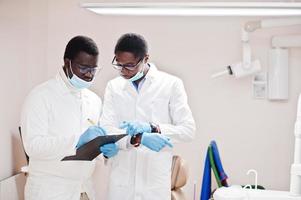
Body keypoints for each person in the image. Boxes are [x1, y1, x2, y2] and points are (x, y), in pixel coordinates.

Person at [20, 36, 118, 200]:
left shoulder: (94, 100)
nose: (89, 75)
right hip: (50, 191)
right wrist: (76, 141)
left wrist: (105, 152)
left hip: (84, 189)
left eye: (93, 69)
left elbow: (93, 146)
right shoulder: (41, 96)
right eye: (83, 68)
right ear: (67, 63)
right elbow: (33, 146)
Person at [101, 33, 196, 200]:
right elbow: (107, 128)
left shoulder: (171, 84)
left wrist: (154, 128)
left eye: (129, 66)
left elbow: (188, 130)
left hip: (154, 184)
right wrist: (136, 139)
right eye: (119, 64)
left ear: (145, 59)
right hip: (121, 183)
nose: (123, 71)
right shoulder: (114, 87)